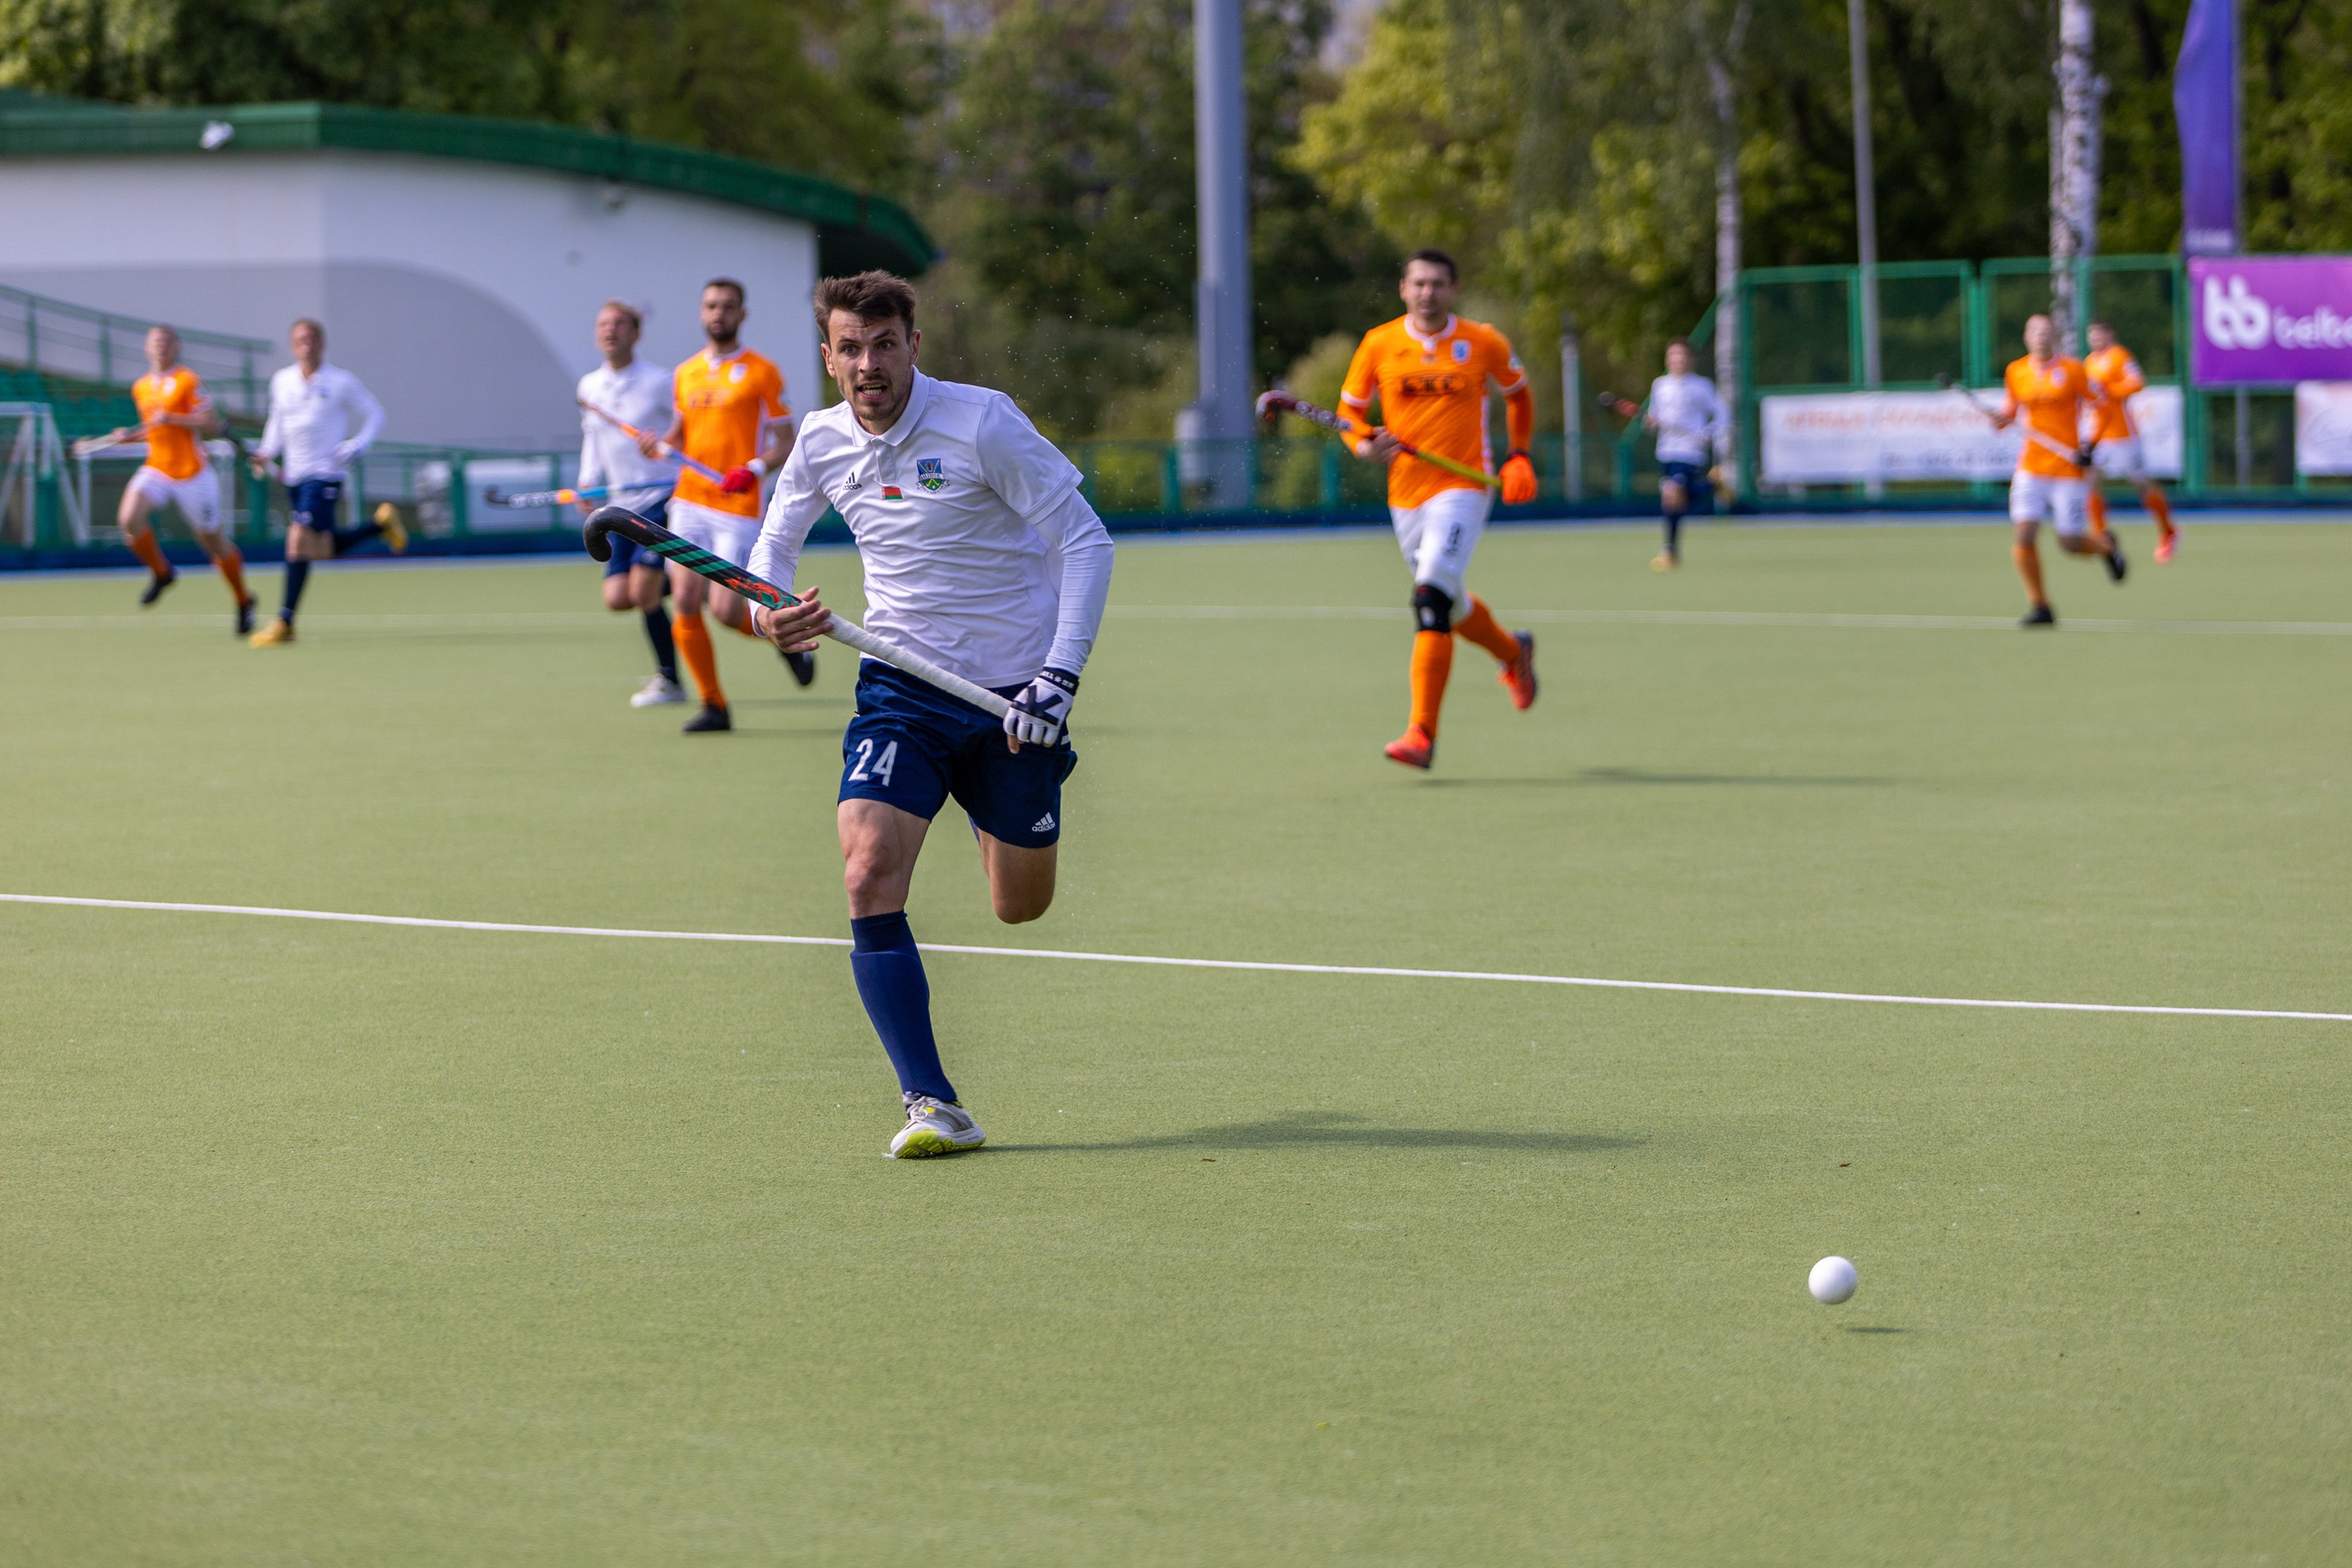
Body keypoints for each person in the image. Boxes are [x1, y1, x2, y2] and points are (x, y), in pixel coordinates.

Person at [747, 270, 1114, 1159]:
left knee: (1018, 907)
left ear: (914, 346)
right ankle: (933, 1104)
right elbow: (772, 546)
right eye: (850, 348)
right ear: (829, 359)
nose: (867, 363)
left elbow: (1085, 540)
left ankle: (990, 807)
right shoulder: (822, 440)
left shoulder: (982, 421)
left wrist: (1058, 679)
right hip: (899, 688)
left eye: (884, 345)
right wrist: (770, 614)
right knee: (868, 871)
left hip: (1010, 698)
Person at [1338, 248, 1540, 772]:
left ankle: (1421, 733)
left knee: (1429, 597)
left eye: (1438, 284)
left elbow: (1519, 395)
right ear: (1404, 289)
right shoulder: (1379, 343)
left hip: (1463, 486)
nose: (1428, 292)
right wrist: (1363, 447)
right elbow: (1350, 414)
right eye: (1419, 283)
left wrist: (1519, 456)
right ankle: (1512, 653)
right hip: (1405, 492)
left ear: (1454, 290)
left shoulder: (1482, 341)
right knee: (1449, 600)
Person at [645, 278, 810, 732]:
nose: (719, 313)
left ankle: (784, 642)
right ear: (702, 313)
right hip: (690, 501)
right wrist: (660, 446)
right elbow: (680, 436)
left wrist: (755, 468)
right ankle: (714, 705)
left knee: (724, 610)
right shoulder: (686, 373)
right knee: (684, 597)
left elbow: (785, 440)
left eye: (728, 307)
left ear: (742, 314)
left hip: (737, 506)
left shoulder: (763, 371)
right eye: (712, 306)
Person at [95, 325, 256, 634]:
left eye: (167, 342)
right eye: (156, 342)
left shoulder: (188, 381)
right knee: (129, 518)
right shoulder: (141, 387)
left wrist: (173, 418)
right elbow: (153, 430)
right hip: (157, 467)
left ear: (176, 348)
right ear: (146, 348)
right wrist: (128, 437)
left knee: (213, 543)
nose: (161, 347)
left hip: (192, 473)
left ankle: (243, 600)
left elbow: (209, 423)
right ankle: (162, 572)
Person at [247, 319, 399, 646]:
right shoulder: (282, 381)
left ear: (323, 344)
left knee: (297, 538)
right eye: (301, 340)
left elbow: (375, 413)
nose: (308, 345)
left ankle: (284, 621)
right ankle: (379, 526)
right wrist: (266, 451)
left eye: (313, 339)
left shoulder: (340, 381)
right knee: (321, 549)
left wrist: (357, 445)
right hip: (296, 476)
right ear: (293, 346)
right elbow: (277, 420)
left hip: (326, 474)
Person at [577, 299, 685, 706]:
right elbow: (594, 437)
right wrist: (587, 480)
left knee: (644, 592)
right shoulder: (588, 387)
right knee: (618, 598)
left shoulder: (661, 381)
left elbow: (685, 426)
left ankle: (670, 681)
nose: (610, 330)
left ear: (636, 334)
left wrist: (666, 442)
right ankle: (694, 580)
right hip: (619, 506)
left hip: (663, 495)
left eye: (620, 324)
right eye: (603, 324)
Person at [1996, 313, 2125, 628]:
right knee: (2024, 534)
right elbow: (2010, 412)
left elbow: (2104, 407)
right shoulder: (2016, 371)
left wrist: (2089, 446)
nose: (2040, 336)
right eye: (2035, 331)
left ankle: (2106, 549)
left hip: (2067, 469)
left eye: (2046, 332)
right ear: (2026, 337)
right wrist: (2001, 420)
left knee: (2069, 543)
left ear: (2054, 337)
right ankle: (2040, 606)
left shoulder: (2072, 370)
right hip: (2031, 467)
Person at [2083, 320, 2180, 565]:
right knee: (2090, 482)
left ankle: (2168, 530)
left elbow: (2137, 382)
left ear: (2110, 334)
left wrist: (2110, 390)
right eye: (2091, 335)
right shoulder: (2089, 362)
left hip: (2123, 434)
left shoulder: (2120, 356)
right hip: (2099, 434)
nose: (2095, 339)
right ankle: (2101, 536)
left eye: (2099, 334)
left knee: (2141, 484)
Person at [1645, 337, 1726, 571]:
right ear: (1667, 359)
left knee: (1672, 493)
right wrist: (1651, 423)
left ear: (1691, 359)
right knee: (1673, 502)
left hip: (1690, 451)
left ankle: (1669, 552)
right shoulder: (1659, 385)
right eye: (1673, 355)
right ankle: (1712, 485)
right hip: (1666, 450)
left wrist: (1709, 433)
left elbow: (1723, 415)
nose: (1678, 359)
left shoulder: (1702, 386)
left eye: (1682, 355)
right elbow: (1653, 420)